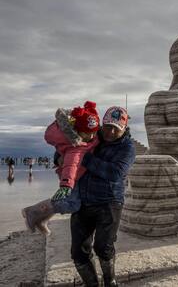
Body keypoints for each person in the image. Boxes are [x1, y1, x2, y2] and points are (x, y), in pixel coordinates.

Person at [70, 106, 135, 287]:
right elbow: (67, 147)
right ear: (102, 124)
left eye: (116, 128)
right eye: (107, 126)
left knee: (103, 247)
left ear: (123, 129)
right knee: (78, 252)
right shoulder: (91, 136)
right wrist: (59, 157)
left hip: (109, 203)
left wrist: (83, 157)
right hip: (82, 201)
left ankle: (110, 281)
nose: (111, 131)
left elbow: (114, 172)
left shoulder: (127, 147)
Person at [22, 101, 100, 235]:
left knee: (69, 201)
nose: (92, 136)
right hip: (72, 177)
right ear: (78, 131)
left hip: (77, 175)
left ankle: (41, 219)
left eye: (94, 132)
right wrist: (66, 185)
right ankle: (33, 211)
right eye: (88, 133)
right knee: (72, 204)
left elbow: (95, 133)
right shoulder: (76, 146)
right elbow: (71, 164)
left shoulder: (87, 135)